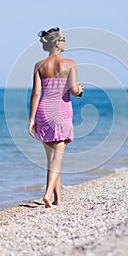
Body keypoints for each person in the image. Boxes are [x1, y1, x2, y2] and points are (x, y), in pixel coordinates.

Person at [28, 27, 83, 208]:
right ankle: (47, 193)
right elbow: (74, 92)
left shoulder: (39, 65)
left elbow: (36, 94)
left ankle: (57, 200)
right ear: (57, 43)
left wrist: (31, 119)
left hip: (44, 111)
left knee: (52, 159)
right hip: (61, 111)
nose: (65, 42)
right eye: (63, 39)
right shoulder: (70, 63)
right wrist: (80, 91)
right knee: (57, 159)